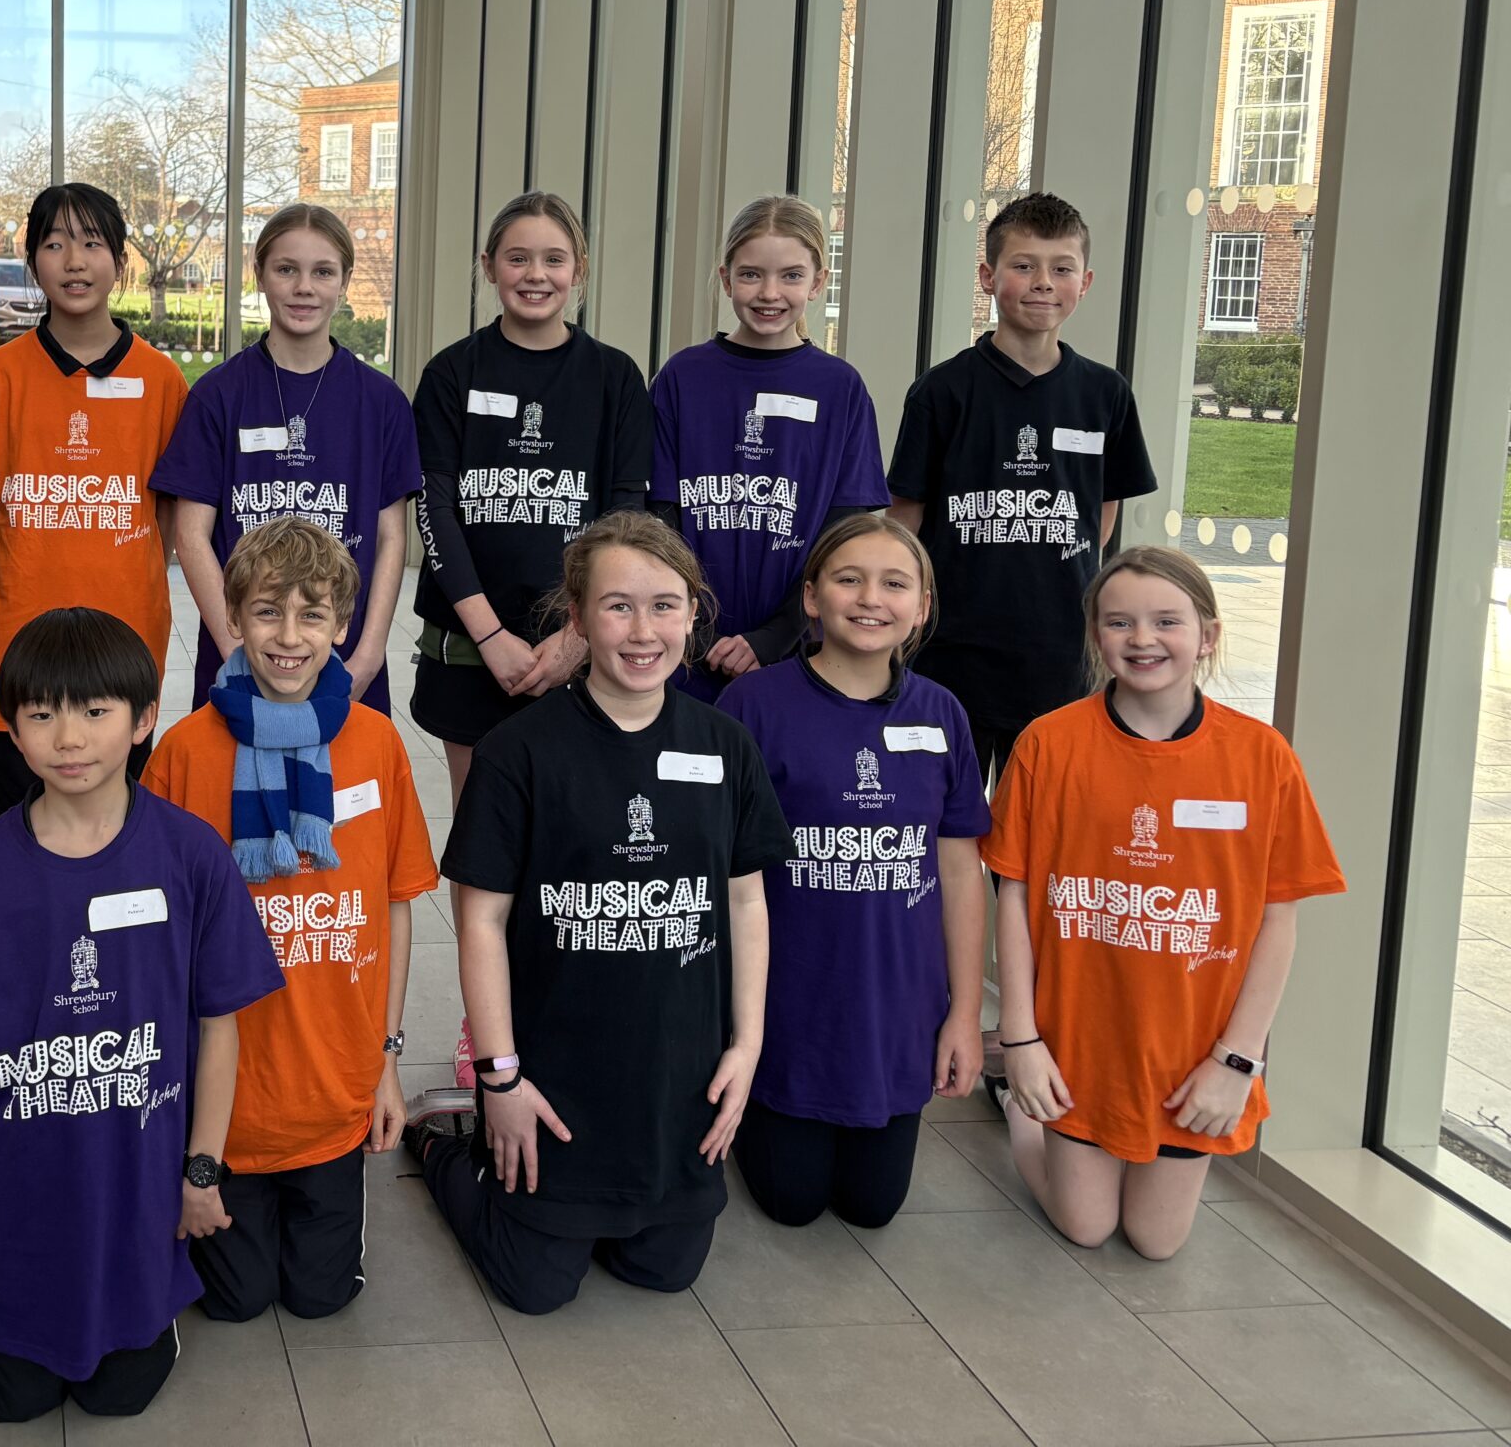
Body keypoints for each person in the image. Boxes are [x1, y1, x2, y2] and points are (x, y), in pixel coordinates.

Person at [406, 513, 787, 1315]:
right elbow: (478, 922)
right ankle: (445, 1144)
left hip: (675, 1080)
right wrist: (500, 1078)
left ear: (693, 611)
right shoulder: (521, 751)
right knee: (535, 1286)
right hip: (554, 1076)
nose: (643, 630)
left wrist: (747, 1047)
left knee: (666, 1269)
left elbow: (745, 899)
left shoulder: (725, 746)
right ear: (575, 620)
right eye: (617, 606)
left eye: (664, 605)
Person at [0, 610, 283, 1423]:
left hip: (138, 1190)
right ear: (10, 726)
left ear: (146, 718)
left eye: (94, 711)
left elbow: (221, 1024)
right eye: (41, 714)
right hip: (12, 1191)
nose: (67, 738)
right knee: (10, 1402)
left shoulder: (190, 855)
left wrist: (202, 1170)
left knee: (123, 1395)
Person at [984, 546, 1344, 1261]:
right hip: (1078, 1041)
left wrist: (1236, 1062)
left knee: (1154, 1240)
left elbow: (1278, 918)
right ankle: (1015, 1105)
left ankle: (1096, 1136)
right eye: (1119, 622)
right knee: (1085, 1225)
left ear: (1207, 636)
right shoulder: (1048, 746)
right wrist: (1021, 1041)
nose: (1142, 639)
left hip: (1191, 1054)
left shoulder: (1262, 757)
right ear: (1095, 636)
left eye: (1166, 622)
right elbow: (1015, 898)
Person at [144, 517, 438, 1324]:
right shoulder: (183, 753)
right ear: (232, 619)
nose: (289, 636)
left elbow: (396, 905)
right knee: (234, 1304)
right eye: (268, 611)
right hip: (228, 1100)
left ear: (343, 627)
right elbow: (160, 942)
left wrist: (385, 1059)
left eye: (313, 615)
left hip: (333, 1087)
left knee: (320, 1297)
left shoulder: (378, 745)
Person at [716, 514, 988, 1229]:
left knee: (873, 1207)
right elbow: (717, 869)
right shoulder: (753, 706)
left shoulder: (943, 714)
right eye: (849, 579)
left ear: (922, 607)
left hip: (894, 1010)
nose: (871, 598)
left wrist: (964, 1014)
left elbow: (960, 873)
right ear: (812, 597)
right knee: (792, 1203)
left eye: (895, 583)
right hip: (789, 1003)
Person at [887, 191, 1157, 782]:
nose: (1043, 282)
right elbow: (904, 521)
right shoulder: (942, 392)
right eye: (1023, 265)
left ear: (1085, 282)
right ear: (988, 276)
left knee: (1040, 825)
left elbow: (1100, 516)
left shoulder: (1105, 394)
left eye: (1061, 268)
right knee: (943, 820)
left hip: (1058, 653)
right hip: (951, 648)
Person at [410, 191, 653, 805]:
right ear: (488, 266)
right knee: (481, 829)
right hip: (473, 646)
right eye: (518, 259)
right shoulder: (450, 374)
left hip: (581, 642)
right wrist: (490, 637)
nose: (536, 275)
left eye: (554, 259)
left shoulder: (615, 378)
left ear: (580, 270)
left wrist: (579, 636)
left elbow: (626, 520)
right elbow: (435, 510)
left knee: (574, 832)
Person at [0, 184, 188, 813]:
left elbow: (164, 510)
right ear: (33, 258)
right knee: (22, 812)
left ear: (119, 260)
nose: (74, 261)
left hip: (125, 629)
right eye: (55, 244)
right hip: (19, 631)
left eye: (92, 243)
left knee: (120, 810)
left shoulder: (162, 380)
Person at [157, 203, 420, 714]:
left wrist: (367, 656)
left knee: (345, 793)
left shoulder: (382, 402)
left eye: (322, 271)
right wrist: (239, 652)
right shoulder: (217, 396)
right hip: (239, 657)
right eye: (286, 269)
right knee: (229, 793)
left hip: (346, 665)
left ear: (345, 281)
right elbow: (190, 537)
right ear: (259, 275)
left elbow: (391, 539)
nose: (304, 287)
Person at [652, 195, 888, 701]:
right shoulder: (683, 377)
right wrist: (694, 624)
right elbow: (660, 519)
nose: (770, 293)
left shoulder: (840, 387)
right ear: (725, 277)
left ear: (819, 282)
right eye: (752, 274)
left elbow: (844, 534)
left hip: (795, 652)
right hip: (683, 646)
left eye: (791, 276)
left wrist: (773, 637)